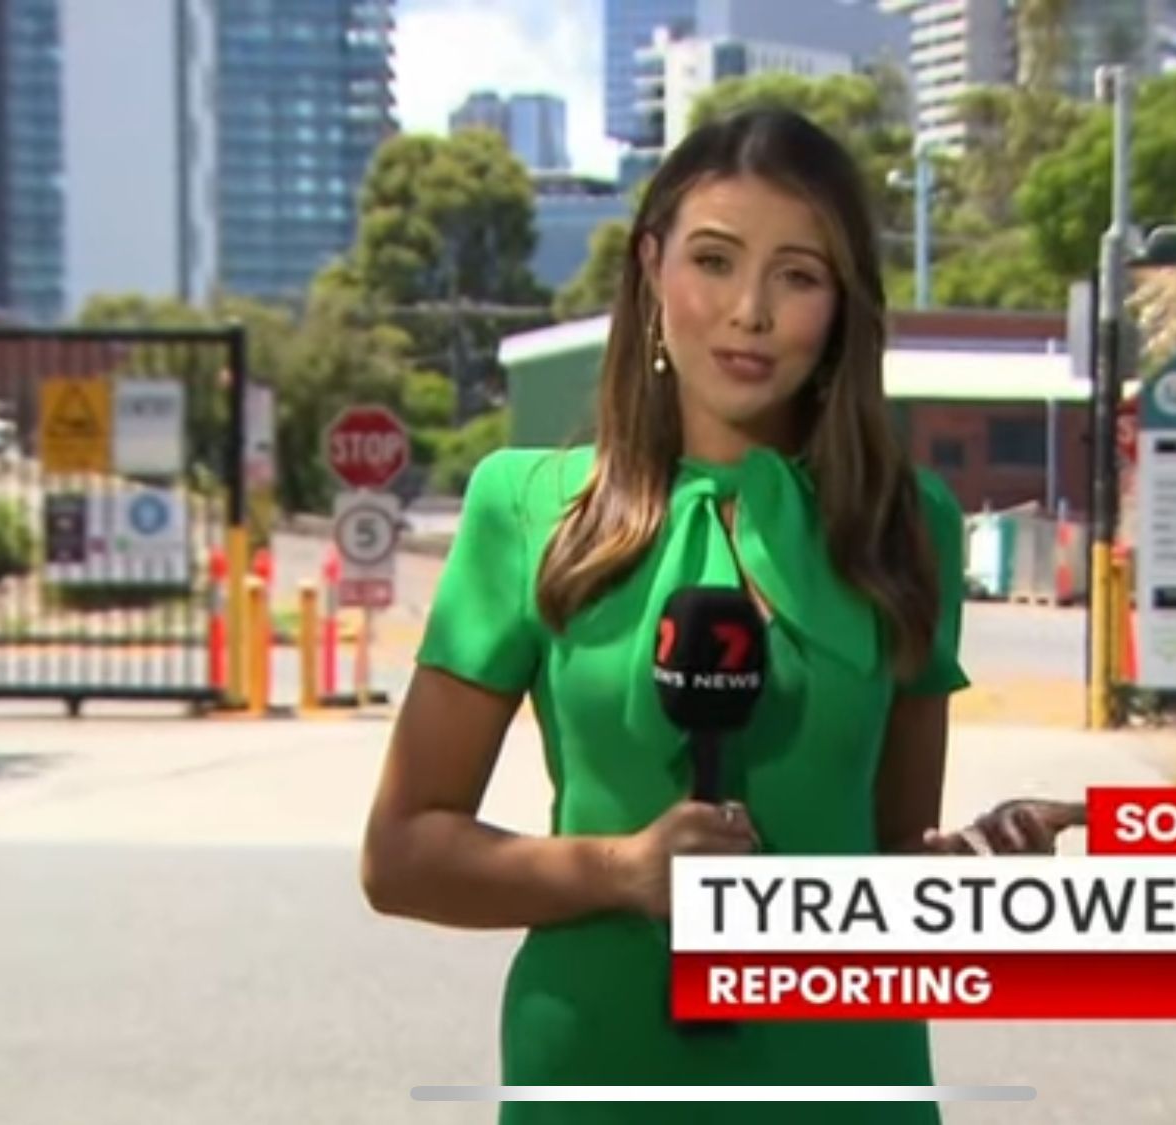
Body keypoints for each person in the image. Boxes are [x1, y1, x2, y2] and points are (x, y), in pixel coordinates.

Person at [359, 106, 1084, 1122]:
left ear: (840, 306)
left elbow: (885, 870)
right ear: (650, 267)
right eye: (713, 260)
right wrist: (619, 870)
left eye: (797, 275)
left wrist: (969, 868)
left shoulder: (904, 522)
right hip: (597, 1076)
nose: (749, 311)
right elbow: (400, 855)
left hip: (845, 1085)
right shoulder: (523, 507)